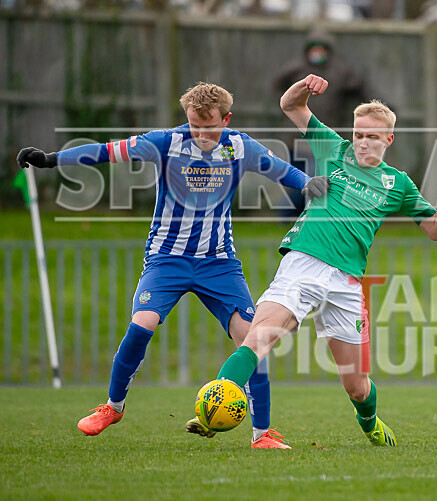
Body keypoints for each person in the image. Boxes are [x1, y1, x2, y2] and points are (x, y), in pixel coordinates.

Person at [17, 82, 330, 449]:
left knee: (251, 337)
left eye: (209, 126)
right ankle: (112, 407)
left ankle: (262, 434)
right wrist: (51, 159)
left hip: (219, 263)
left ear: (226, 119)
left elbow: (282, 171)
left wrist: (308, 183)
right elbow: (105, 152)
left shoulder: (240, 146)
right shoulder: (165, 142)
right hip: (166, 260)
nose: (200, 134)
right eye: (194, 125)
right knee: (142, 324)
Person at [201, 73, 437, 447]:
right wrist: (305, 85)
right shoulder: (334, 149)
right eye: (358, 133)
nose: (362, 141)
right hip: (302, 264)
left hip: (346, 282)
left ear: (389, 140)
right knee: (259, 337)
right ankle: (215, 406)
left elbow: (436, 231)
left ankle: (370, 422)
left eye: (372, 135)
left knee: (357, 386)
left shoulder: (398, 184)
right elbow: (290, 105)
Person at [273, 28, 370, 217]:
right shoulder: (296, 69)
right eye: (314, 49)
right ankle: (288, 214)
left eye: (322, 49)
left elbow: (359, 88)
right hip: (294, 138)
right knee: (297, 181)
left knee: (313, 179)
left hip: (322, 137)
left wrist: (376, 106)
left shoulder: (340, 72)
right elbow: (277, 84)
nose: (317, 53)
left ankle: (289, 214)